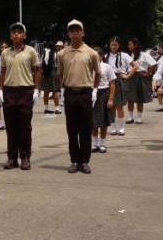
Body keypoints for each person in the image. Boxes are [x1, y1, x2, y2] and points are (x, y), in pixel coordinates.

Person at [57, 20, 100, 174]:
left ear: (82, 32)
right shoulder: (62, 53)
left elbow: (98, 73)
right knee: (72, 129)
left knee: (85, 128)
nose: (74, 33)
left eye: (77, 30)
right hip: (69, 92)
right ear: (68, 33)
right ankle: (74, 160)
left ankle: (84, 161)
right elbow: (60, 74)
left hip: (85, 93)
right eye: (71, 30)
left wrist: (95, 90)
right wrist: (61, 91)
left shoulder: (91, 53)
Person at [0, 22, 41, 170]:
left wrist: (36, 90)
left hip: (25, 91)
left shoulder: (30, 51)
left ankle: (25, 157)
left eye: (19, 32)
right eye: (13, 32)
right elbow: (3, 72)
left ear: (24, 35)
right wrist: (0, 90)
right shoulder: (5, 53)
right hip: (9, 91)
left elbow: (37, 71)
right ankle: (11, 158)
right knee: (11, 127)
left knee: (24, 127)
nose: (16, 34)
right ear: (10, 36)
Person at [105, 37, 135, 136]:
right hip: (108, 81)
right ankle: (113, 127)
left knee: (119, 105)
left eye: (115, 45)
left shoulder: (124, 55)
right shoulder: (106, 56)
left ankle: (121, 127)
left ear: (119, 46)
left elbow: (135, 66)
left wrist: (127, 75)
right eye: (112, 45)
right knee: (110, 106)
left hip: (118, 79)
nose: (113, 47)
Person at [92, 47, 117, 154]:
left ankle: (102, 143)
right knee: (93, 121)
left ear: (102, 56)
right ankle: (94, 143)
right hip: (92, 93)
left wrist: (111, 99)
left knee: (103, 121)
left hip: (104, 93)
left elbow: (112, 84)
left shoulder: (107, 67)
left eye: (97, 55)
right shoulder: (89, 66)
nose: (95, 57)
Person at [126, 38, 156, 124]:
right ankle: (130, 117)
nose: (129, 46)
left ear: (135, 45)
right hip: (130, 76)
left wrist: (148, 73)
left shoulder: (144, 54)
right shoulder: (128, 55)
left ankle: (139, 117)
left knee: (140, 97)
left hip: (140, 76)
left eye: (130, 44)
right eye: (128, 44)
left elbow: (153, 64)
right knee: (130, 98)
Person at [42, 41, 63, 114]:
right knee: (55, 90)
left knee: (46, 91)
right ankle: (57, 108)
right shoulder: (56, 53)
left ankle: (46, 108)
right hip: (54, 71)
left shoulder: (45, 52)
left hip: (45, 73)